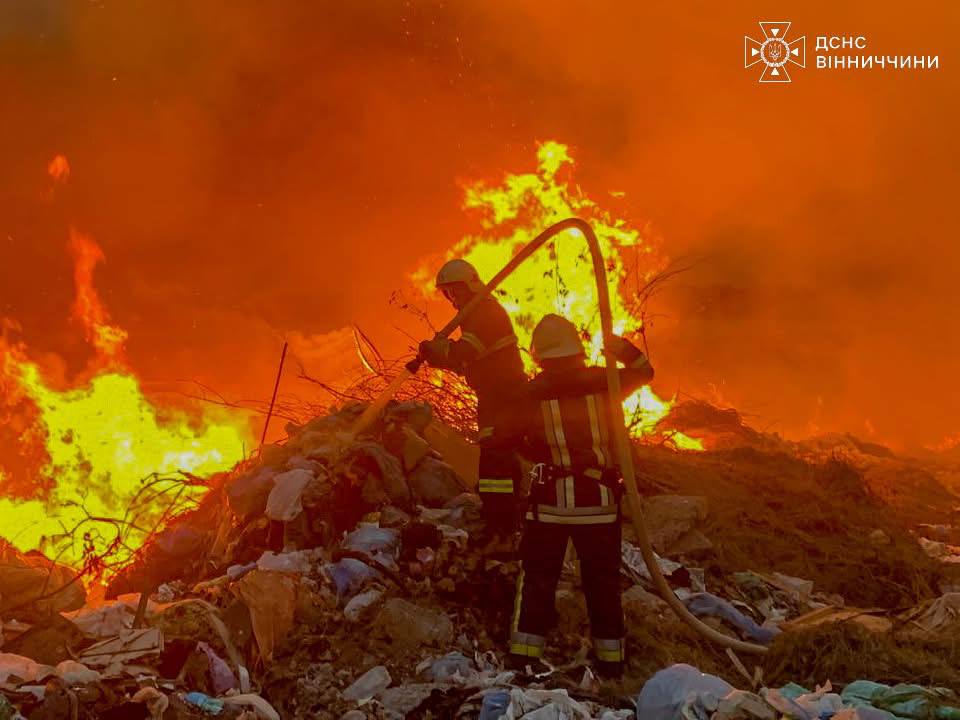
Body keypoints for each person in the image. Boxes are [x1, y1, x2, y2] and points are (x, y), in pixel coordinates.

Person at [507, 313, 653, 677]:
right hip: (599, 504)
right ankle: (612, 664)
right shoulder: (604, 382)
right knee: (602, 583)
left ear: (540, 355)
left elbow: (511, 440)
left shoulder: (529, 393)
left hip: (549, 506)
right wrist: (620, 348)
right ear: (576, 349)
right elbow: (645, 372)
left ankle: (524, 658)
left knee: (539, 578)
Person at [418, 259, 527, 550]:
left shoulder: (485, 312)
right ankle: (504, 523)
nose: (452, 299)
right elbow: (469, 363)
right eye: (448, 294)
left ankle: (501, 529)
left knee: (495, 462)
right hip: (495, 395)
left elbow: (465, 352)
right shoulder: (476, 312)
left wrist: (440, 353)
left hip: (504, 396)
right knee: (497, 459)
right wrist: (440, 356)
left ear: (470, 286)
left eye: (455, 291)